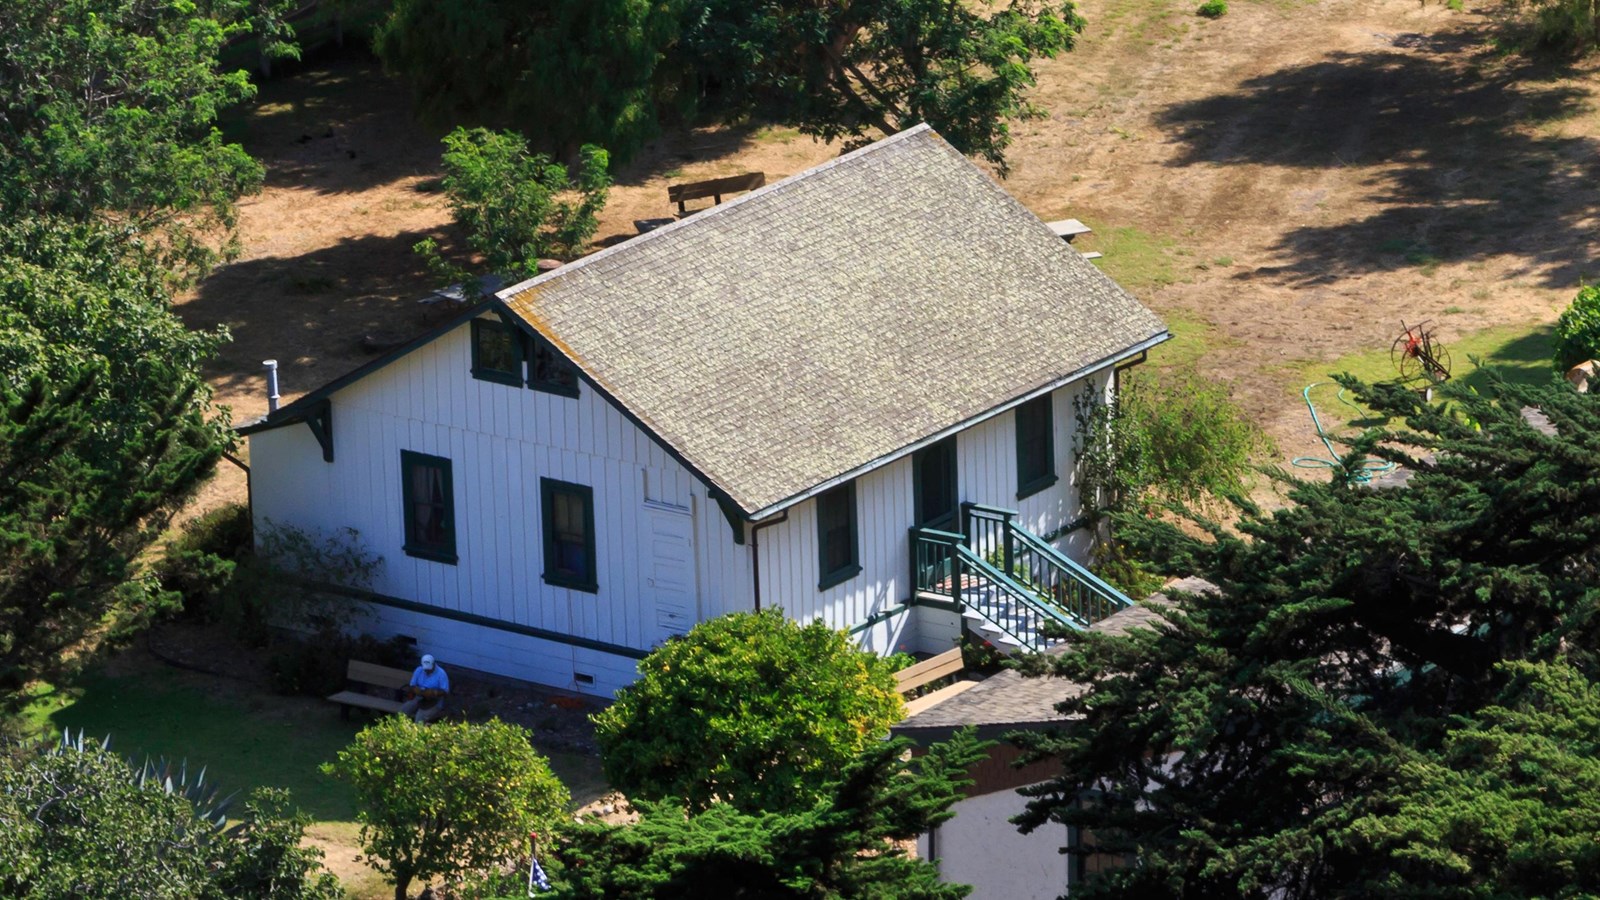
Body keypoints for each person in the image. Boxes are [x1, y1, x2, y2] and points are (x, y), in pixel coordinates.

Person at [399, 653, 450, 723]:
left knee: (419, 718)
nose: (427, 671)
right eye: (425, 669)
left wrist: (434, 692)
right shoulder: (419, 670)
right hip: (419, 697)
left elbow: (445, 691)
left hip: (434, 701)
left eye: (429, 669)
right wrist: (416, 690)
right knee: (403, 711)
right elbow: (412, 685)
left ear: (434, 664)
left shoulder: (441, 673)